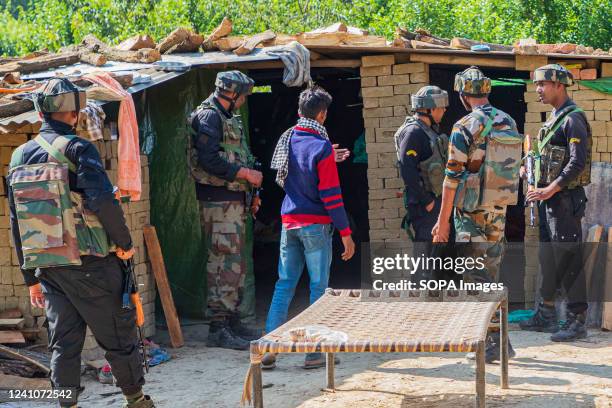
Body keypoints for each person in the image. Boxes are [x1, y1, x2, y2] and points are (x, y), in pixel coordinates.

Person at [7, 78, 154, 408]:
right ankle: (136, 400)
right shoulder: (78, 148)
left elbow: (17, 223)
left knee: (63, 345)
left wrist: (31, 278)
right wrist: (124, 243)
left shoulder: (18, 158)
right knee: (119, 338)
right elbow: (103, 201)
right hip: (92, 266)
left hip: (49, 270)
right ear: (72, 111)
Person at [432, 66, 522, 363]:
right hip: (498, 208)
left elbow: (451, 177)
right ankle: (499, 341)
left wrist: (442, 222)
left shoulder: (465, 125)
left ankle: (494, 342)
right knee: (490, 275)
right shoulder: (507, 120)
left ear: (462, 94)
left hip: (470, 212)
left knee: (475, 278)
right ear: (486, 91)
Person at [264, 86, 355, 369]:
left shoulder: (289, 138)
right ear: (323, 114)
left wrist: (331, 158)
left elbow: (299, 171)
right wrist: (346, 232)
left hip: (289, 223)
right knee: (318, 288)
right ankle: (315, 352)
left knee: (284, 284)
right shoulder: (321, 146)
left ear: (300, 112)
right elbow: (330, 194)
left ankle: (268, 348)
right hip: (315, 226)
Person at [188, 71, 263, 350]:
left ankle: (230, 320)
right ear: (232, 94)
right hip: (217, 201)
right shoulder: (209, 117)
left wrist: (251, 192)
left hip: (232, 199)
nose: (244, 101)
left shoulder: (227, 117)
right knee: (222, 262)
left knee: (234, 263)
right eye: (243, 96)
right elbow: (208, 160)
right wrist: (244, 173)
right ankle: (218, 326)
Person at [520, 64, 591, 342]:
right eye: (537, 84)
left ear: (559, 85)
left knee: (570, 260)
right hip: (549, 200)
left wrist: (550, 188)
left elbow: (577, 162)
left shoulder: (573, 119)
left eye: (543, 84)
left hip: (564, 200)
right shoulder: (554, 118)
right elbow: (549, 158)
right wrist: (529, 172)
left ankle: (577, 321)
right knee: (548, 259)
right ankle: (546, 315)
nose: (538, 89)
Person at [394, 85, 450, 281]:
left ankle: (431, 299)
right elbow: (407, 169)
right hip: (425, 206)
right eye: (441, 107)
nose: (443, 111)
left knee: (434, 257)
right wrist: (427, 201)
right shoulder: (414, 132)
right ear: (429, 108)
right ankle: (418, 300)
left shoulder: (428, 131)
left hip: (433, 204)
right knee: (425, 255)